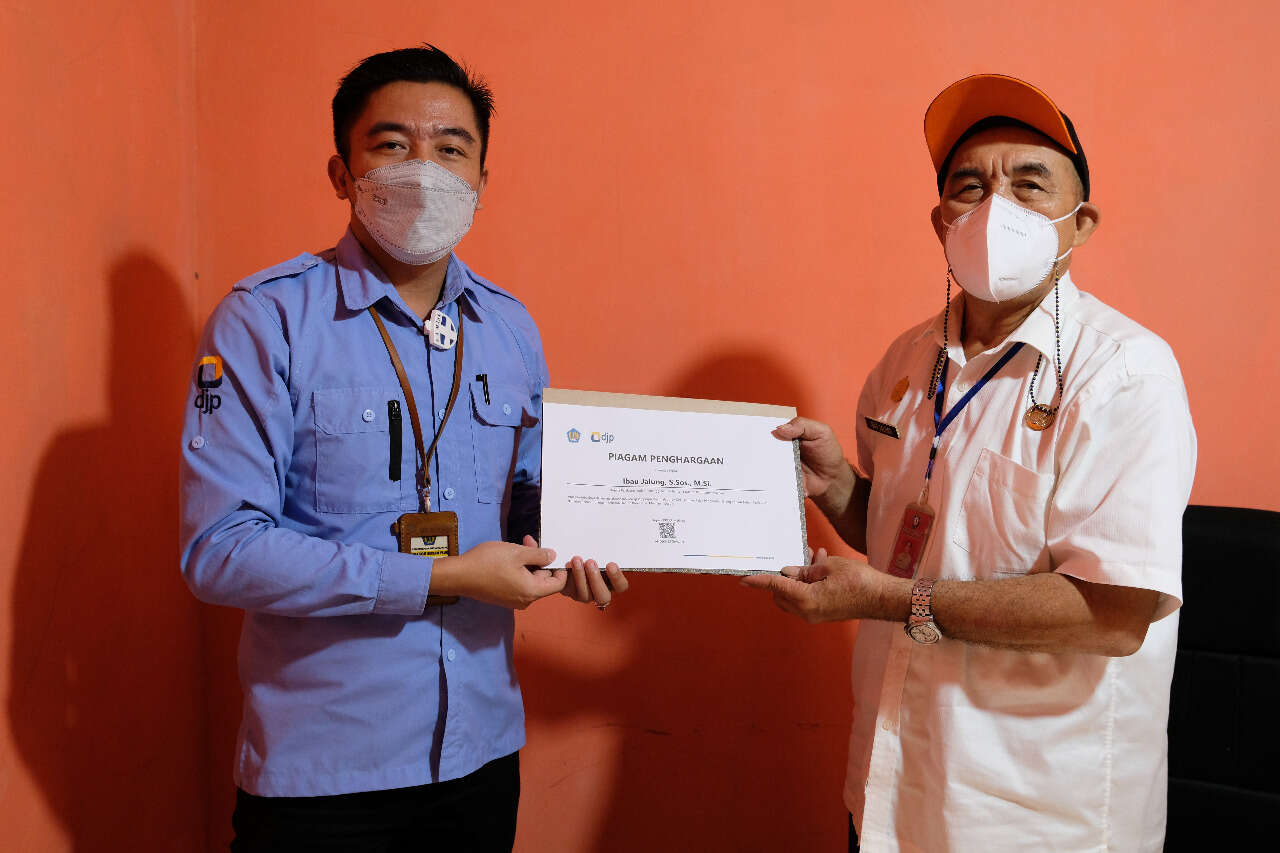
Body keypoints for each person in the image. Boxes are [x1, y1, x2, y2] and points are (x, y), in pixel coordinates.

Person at [179, 45, 627, 851]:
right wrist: (442, 576)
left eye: (451, 148)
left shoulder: (509, 328)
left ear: (482, 180)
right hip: (324, 773)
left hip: (481, 756)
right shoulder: (265, 319)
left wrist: (589, 540)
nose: (424, 169)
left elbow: (531, 502)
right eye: (392, 144)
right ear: (341, 172)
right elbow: (221, 550)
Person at [743, 74, 1196, 852]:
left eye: (1029, 184)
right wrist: (839, 486)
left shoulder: (1124, 374)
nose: (995, 209)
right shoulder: (906, 360)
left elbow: (1117, 612)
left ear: (1080, 222)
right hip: (888, 788)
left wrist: (890, 600)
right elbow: (913, 537)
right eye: (970, 186)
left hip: (1032, 816)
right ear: (941, 222)